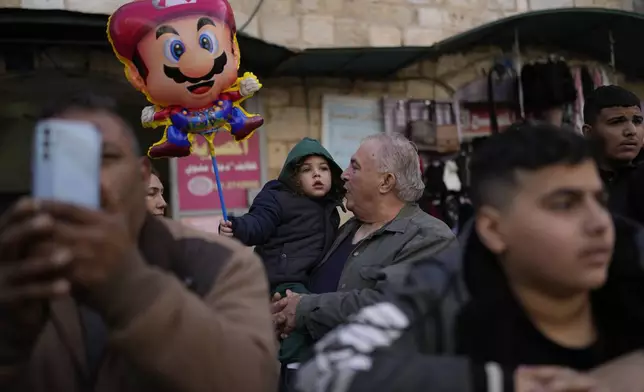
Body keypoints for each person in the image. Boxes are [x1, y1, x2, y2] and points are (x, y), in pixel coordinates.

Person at [296, 123, 644, 392]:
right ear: (493, 229)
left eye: (599, 200)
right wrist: (499, 384)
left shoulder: (632, 257)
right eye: (565, 204)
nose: (599, 224)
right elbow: (324, 372)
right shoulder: (446, 288)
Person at [0, 94, 277, 392]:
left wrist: (128, 286)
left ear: (141, 173)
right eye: (65, 162)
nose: (90, 178)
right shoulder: (16, 264)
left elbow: (251, 381)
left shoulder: (218, 261)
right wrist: (9, 337)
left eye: (105, 158)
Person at [272, 133, 457, 350]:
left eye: (355, 167)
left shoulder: (429, 237)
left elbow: (389, 306)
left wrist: (303, 309)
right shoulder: (347, 229)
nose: (343, 175)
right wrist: (283, 304)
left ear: (386, 182)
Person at [219, 137, 344, 368]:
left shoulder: (331, 209)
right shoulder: (277, 198)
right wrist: (236, 228)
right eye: (307, 170)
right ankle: (292, 369)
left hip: (309, 282)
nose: (317, 174)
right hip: (283, 279)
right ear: (294, 178)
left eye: (323, 168)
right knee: (295, 320)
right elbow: (258, 223)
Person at [582, 85, 644, 222]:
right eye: (616, 122)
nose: (631, 131)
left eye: (637, 121)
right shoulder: (575, 182)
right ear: (588, 132)